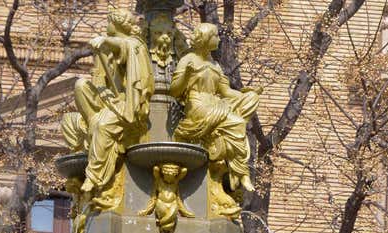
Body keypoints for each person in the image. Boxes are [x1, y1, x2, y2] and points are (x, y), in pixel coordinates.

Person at [61, 9, 154, 210]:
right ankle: (92, 123)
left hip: (126, 105)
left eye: (109, 22)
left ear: (117, 24)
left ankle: (94, 178)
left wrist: (106, 41)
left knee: (103, 126)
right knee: (79, 88)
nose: (106, 26)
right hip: (108, 101)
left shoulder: (136, 45)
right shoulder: (105, 49)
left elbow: (127, 47)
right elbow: (98, 81)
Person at [169, 23, 261, 195]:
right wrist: (187, 75)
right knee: (238, 123)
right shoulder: (188, 60)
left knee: (250, 99)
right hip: (198, 106)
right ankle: (241, 172)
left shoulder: (215, 65)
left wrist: (246, 95)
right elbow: (174, 90)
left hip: (215, 104)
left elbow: (226, 92)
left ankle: (235, 166)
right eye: (216, 36)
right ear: (205, 39)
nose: (218, 39)